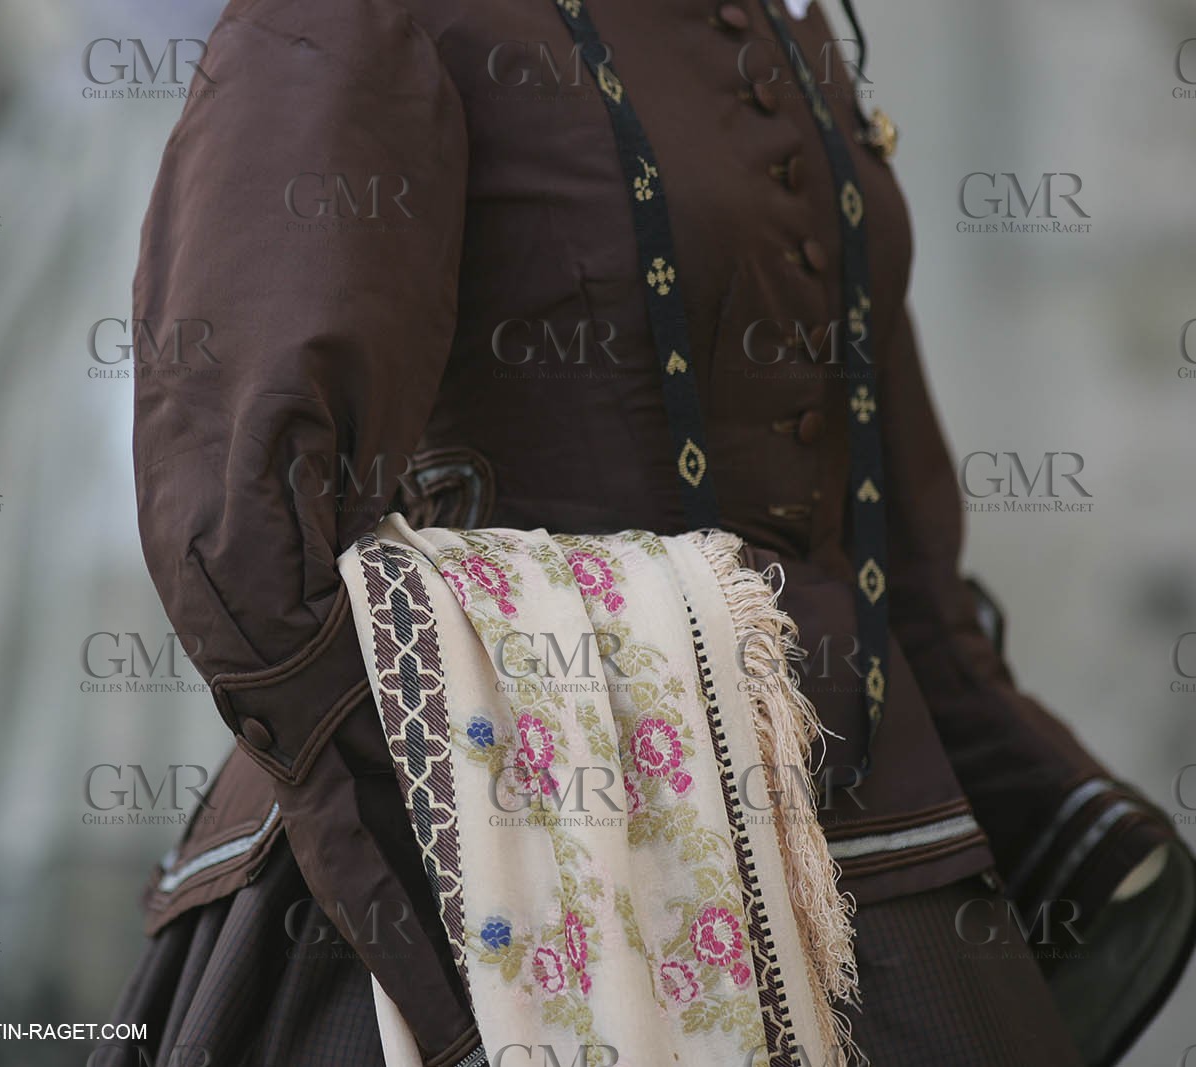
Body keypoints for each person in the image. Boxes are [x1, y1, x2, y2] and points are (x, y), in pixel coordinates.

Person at [105, 0, 1194, 1064]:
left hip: (871, 848)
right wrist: (460, 906)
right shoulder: (357, 16)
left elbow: (878, 532)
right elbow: (247, 528)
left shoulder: (788, 22)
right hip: (513, 841)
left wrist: (1040, 811)